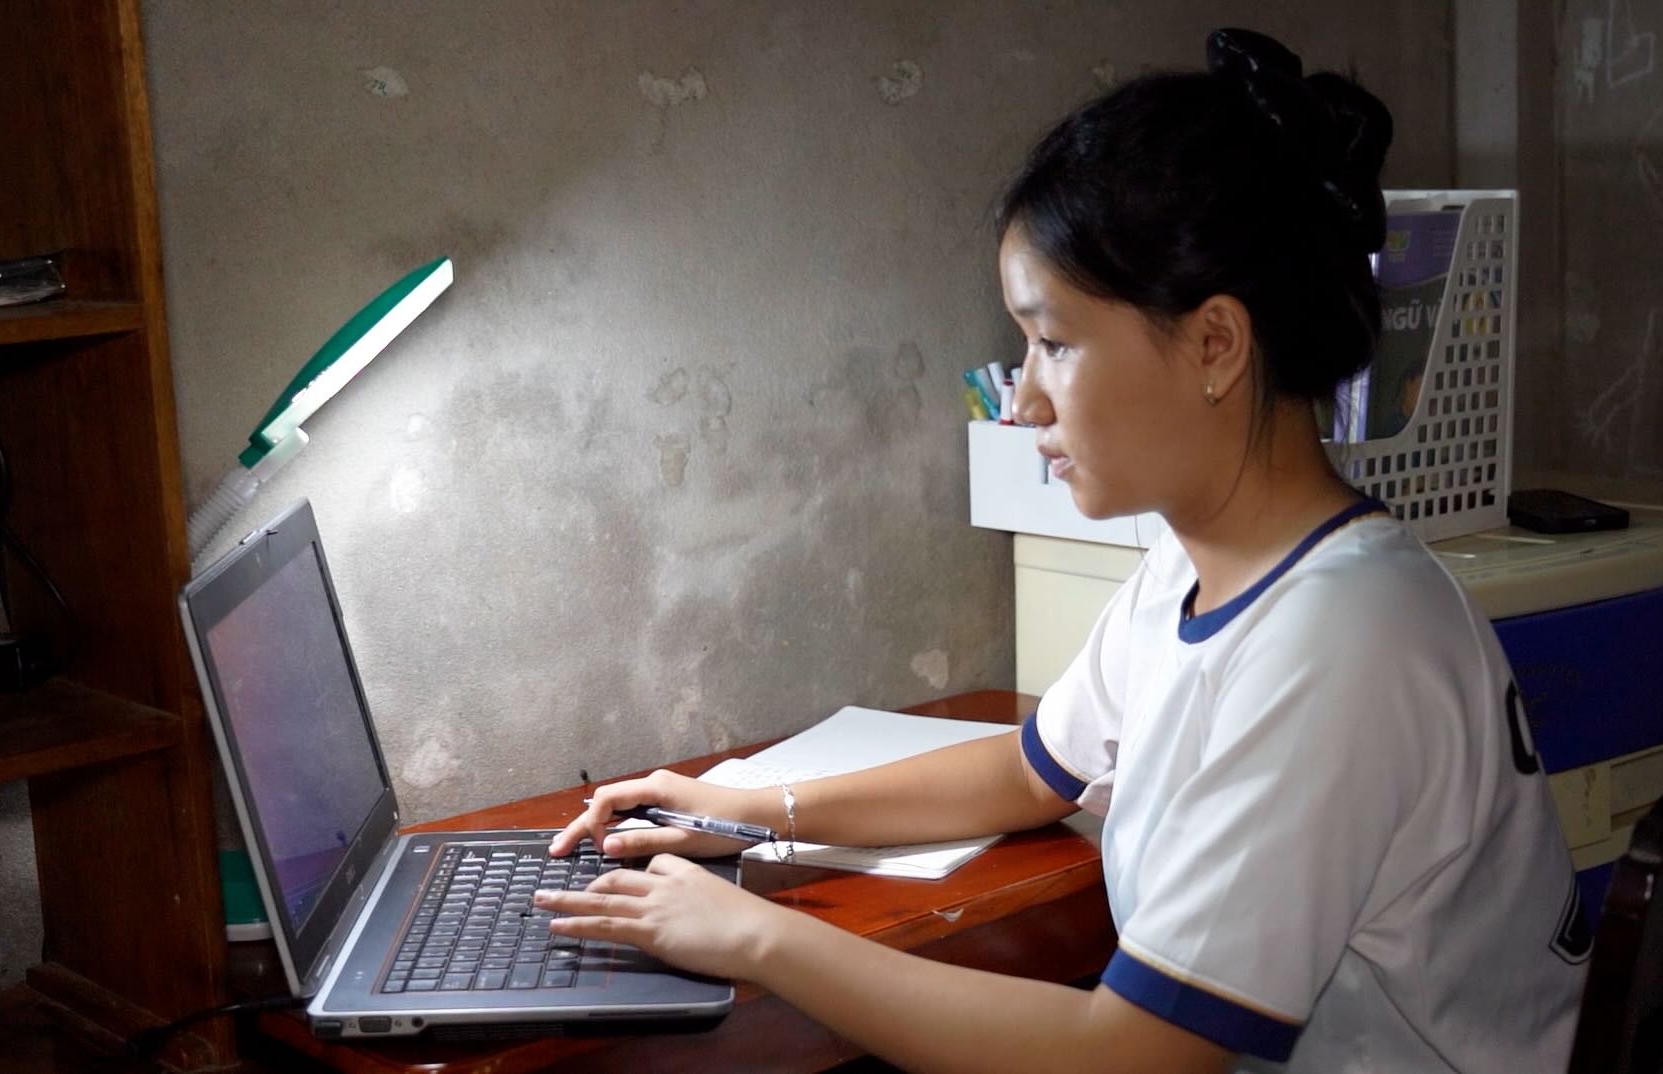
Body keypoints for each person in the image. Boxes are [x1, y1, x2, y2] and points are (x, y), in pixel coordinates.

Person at [540, 28, 1588, 1074]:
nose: (1025, 395)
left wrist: (755, 937)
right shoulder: (1205, 567)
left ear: (1215, 344)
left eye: (1055, 341)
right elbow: (1031, 771)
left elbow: (1125, 1055)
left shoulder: (1336, 645)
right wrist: (746, 815)